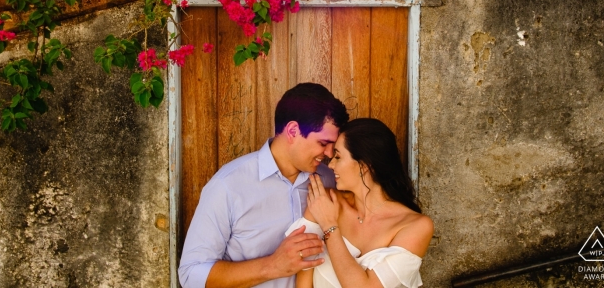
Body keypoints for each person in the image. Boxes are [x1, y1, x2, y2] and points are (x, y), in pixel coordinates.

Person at [179, 82, 350, 288]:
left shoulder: (331, 180)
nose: (330, 154)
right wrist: (272, 266)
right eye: (323, 144)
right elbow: (191, 275)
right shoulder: (228, 186)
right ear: (293, 131)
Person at [290, 118, 433, 288]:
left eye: (338, 156)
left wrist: (330, 227)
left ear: (364, 165)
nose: (331, 165)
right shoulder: (324, 201)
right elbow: (303, 279)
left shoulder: (416, 226)